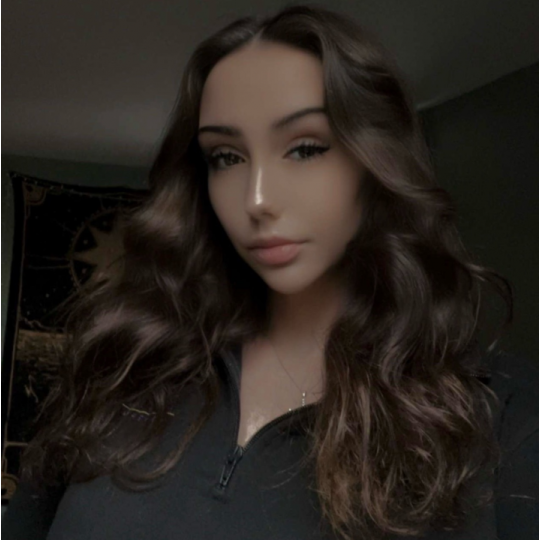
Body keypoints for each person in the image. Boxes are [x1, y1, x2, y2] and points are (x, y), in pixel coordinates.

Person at [3, 4, 537, 540]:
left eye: (304, 149)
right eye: (226, 157)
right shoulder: (121, 370)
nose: (257, 199)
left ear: (376, 162)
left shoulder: (501, 417)